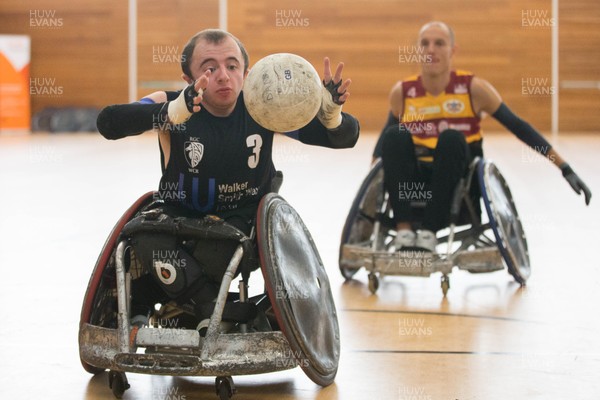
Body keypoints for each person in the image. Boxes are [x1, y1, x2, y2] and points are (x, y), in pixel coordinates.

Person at [96, 28, 359, 328]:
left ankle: (172, 301)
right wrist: (168, 112)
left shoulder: (263, 107)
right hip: (178, 218)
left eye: (232, 66)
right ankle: (210, 309)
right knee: (141, 233)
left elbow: (343, 139)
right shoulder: (169, 104)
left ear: (246, 73)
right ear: (188, 79)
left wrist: (331, 117)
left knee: (220, 248)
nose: (223, 75)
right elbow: (108, 122)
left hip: (241, 223)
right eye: (209, 68)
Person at [373, 21, 591, 253]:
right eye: (424, 44)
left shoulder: (474, 89)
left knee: (450, 139)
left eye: (439, 43)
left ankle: (429, 232)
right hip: (416, 177)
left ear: (453, 50)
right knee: (394, 135)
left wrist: (564, 167)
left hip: (458, 179)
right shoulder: (403, 92)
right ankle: (404, 230)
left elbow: (518, 126)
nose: (431, 50)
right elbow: (383, 146)